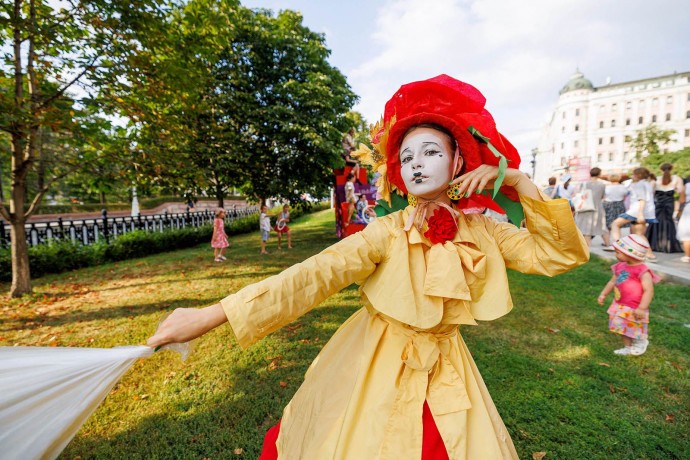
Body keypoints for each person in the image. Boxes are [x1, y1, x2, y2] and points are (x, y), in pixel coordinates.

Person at [147, 74, 589, 459]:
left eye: (430, 152)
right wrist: (211, 314)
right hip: (375, 362)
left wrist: (517, 180)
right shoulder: (387, 231)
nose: (416, 164)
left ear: (458, 161)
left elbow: (558, 255)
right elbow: (313, 275)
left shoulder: (485, 231)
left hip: (447, 367)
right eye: (408, 157)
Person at [597, 234, 659, 356]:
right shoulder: (620, 266)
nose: (616, 255)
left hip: (635, 306)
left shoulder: (642, 271)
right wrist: (603, 294)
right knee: (621, 327)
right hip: (620, 304)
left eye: (618, 252)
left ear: (631, 254)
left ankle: (640, 341)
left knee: (635, 326)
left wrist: (642, 307)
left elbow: (648, 291)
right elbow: (612, 281)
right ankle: (627, 347)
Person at [608, 167, 657, 259]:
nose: (632, 176)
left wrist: (640, 214)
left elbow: (642, 199)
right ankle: (649, 254)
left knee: (615, 224)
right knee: (639, 233)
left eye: (633, 174)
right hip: (646, 211)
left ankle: (619, 245)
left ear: (638, 175)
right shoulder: (648, 184)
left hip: (637, 211)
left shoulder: (639, 185)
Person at [646, 163, 683, 253]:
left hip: (658, 204)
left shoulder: (656, 179)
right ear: (671, 169)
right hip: (670, 203)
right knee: (668, 221)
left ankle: (654, 244)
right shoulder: (676, 178)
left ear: (661, 169)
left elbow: (651, 193)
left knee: (656, 221)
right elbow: (680, 191)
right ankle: (668, 245)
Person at [575, 167, 607, 247]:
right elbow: (603, 197)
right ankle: (608, 245)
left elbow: (579, 195)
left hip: (585, 208)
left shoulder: (584, 184)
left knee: (586, 230)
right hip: (597, 208)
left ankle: (587, 250)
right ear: (599, 174)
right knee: (602, 227)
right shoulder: (602, 185)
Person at [602, 174, 628, 247]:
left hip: (608, 205)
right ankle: (618, 241)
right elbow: (625, 196)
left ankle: (608, 242)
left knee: (608, 224)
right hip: (619, 205)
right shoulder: (623, 187)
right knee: (617, 224)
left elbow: (604, 196)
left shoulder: (607, 187)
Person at [677, 177, 690, 263]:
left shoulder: (686, 185)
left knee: (687, 234)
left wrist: (679, 211)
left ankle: (687, 256)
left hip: (688, 208)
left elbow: (681, 200)